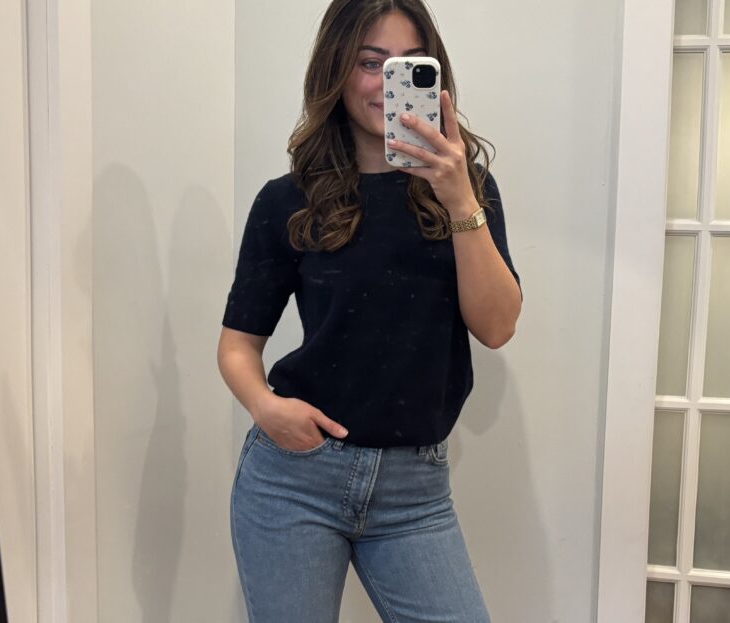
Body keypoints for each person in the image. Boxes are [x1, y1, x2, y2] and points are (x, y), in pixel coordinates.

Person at [217, 1, 522, 621]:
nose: (388, 83)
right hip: (294, 480)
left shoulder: (467, 190)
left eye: (410, 65)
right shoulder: (288, 201)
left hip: (416, 493)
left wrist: (458, 197)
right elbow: (237, 345)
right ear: (336, 70)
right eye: (370, 63)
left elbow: (497, 327)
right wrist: (266, 408)